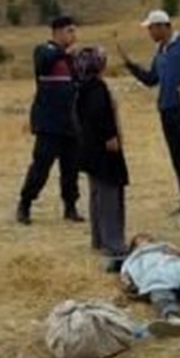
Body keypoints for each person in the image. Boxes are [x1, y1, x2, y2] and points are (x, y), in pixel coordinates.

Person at [119, 9, 180, 215]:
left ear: (163, 26)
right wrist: (130, 65)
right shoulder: (161, 50)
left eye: (151, 28)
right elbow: (152, 79)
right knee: (177, 156)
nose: (150, 33)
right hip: (166, 109)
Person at [16, 16, 83, 225]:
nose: (74, 36)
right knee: (41, 166)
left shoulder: (72, 58)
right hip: (49, 122)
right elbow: (44, 64)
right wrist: (65, 53)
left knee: (71, 168)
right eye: (70, 31)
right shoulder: (44, 50)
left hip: (71, 121)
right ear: (58, 32)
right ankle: (25, 204)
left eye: (74, 31)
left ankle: (70, 207)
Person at [73, 46, 129, 265]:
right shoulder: (96, 87)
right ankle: (113, 243)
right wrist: (110, 135)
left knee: (97, 193)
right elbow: (100, 114)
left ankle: (99, 239)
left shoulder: (81, 86)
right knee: (109, 193)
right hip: (103, 149)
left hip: (89, 149)